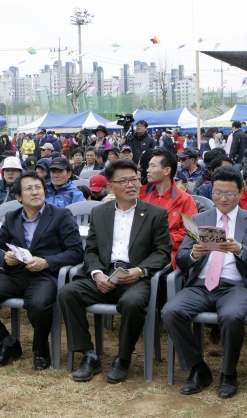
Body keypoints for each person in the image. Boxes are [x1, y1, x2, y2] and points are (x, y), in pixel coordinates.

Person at [162, 166, 247, 399]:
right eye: (218, 192)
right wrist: (194, 254)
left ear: (240, 192)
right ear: (211, 193)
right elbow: (181, 258)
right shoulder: (198, 219)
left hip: (235, 286)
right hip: (201, 285)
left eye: (229, 193)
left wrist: (240, 249)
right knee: (170, 311)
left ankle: (228, 373)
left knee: (231, 317)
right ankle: (198, 368)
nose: (223, 198)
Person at [59, 159, 171, 384]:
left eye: (134, 179)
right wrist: (97, 273)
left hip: (134, 276)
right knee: (67, 292)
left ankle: (123, 358)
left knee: (132, 302)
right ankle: (88, 355)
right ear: (110, 187)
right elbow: (90, 250)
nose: (131, 185)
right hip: (105, 272)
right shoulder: (100, 213)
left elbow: (162, 252)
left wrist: (140, 271)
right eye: (123, 181)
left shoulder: (155, 214)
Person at [0, 171, 84, 369]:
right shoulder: (12, 217)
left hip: (44, 275)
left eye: (39, 187)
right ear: (19, 197)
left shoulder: (61, 215)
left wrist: (47, 262)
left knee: (39, 304)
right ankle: (7, 342)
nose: (35, 192)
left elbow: (76, 252)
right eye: (29, 189)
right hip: (15, 274)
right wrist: (4, 258)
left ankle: (40, 348)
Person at [140, 148, 198, 269]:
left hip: (168, 254)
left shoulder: (185, 199)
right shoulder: (140, 194)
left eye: (152, 166)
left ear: (167, 170)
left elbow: (192, 234)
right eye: (148, 166)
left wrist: (159, 239)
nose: (148, 170)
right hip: (139, 250)